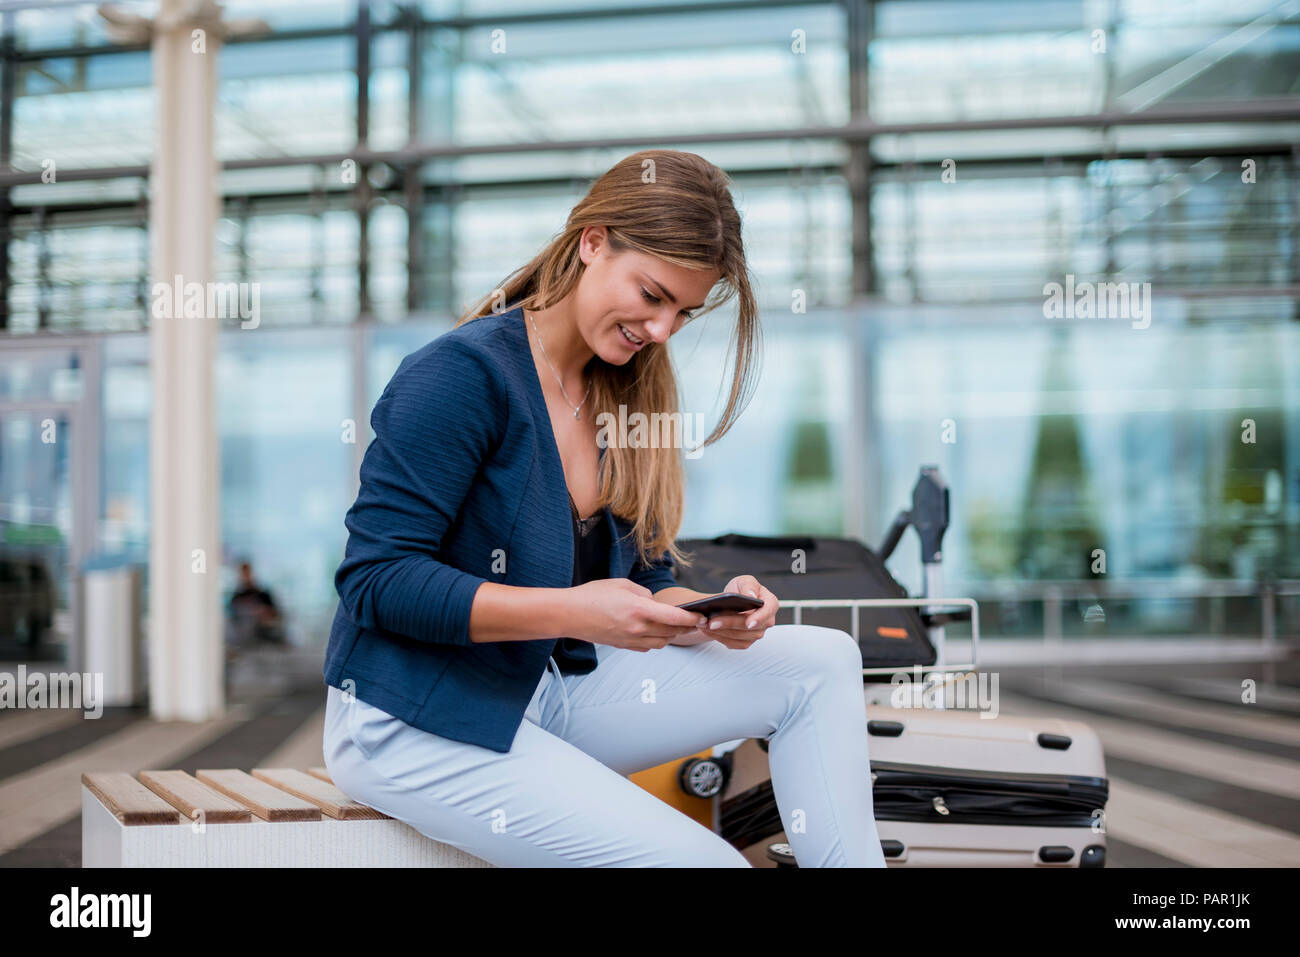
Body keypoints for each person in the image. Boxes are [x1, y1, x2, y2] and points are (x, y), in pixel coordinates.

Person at [321, 149, 887, 868]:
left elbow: (644, 581)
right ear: (593, 242)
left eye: (683, 311)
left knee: (824, 659)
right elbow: (378, 582)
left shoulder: (621, 391)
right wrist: (572, 611)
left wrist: (705, 613)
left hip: (547, 690)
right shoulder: (461, 376)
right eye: (652, 295)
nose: (661, 330)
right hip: (415, 715)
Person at [228, 560, 284, 646]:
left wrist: (264, 613)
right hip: (244, 638)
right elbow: (232, 617)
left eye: (247, 573)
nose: (245, 576)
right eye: (243, 573)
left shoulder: (264, 594)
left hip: (264, 634)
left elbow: (275, 614)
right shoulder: (236, 597)